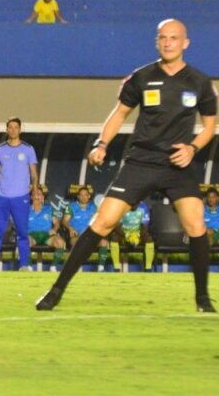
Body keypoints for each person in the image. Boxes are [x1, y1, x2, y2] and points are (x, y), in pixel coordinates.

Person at [38, 19, 216, 313]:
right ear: (157, 42)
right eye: (163, 38)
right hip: (141, 161)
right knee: (102, 222)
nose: (168, 42)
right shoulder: (142, 77)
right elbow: (119, 114)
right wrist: (101, 144)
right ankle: (56, 291)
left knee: (196, 225)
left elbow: (210, 126)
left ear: (186, 43)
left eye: (174, 38)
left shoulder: (199, 82)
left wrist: (193, 148)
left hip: (177, 164)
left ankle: (203, 300)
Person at [0, 117, 38, 271]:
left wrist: (35, 195)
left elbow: (34, 173)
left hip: (21, 197)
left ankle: (24, 265)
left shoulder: (28, 149)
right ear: (6, 130)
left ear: (20, 130)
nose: (13, 130)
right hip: (1, 197)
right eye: (11, 127)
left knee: (22, 232)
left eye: (16, 127)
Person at [62, 186, 109, 270]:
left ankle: (100, 268)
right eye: (81, 195)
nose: (84, 197)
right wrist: (70, 228)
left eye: (86, 195)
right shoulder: (71, 207)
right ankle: (76, 268)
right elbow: (64, 221)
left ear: (89, 196)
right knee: (77, 244)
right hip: (77, 235)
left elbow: (99, 221)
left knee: (104, 242)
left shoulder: (94, 207)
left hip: (90, 235)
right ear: (78, 196)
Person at [27, 185, 66, 271]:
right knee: (24, 242)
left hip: (47, 235)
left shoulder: (49, 209)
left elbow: (56, 223)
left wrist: (55, 229)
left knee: (60, 243)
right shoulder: (25, 210)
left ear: (43, 197)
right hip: (31, 235)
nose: (37, 196)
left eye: (39, 194)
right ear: (31, 197)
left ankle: (53, 267)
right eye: (34, 194)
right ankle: (28, 267)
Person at [109, 200, 153, 271]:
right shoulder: (121, 206)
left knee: (149, 239)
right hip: (124, 233)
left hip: (138, 233)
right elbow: (117, 225)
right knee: (114, 238)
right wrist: (125, 235)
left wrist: (138, 235)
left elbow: (145, 226)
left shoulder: (143, 207)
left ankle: (148, 268)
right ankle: (116, 267)